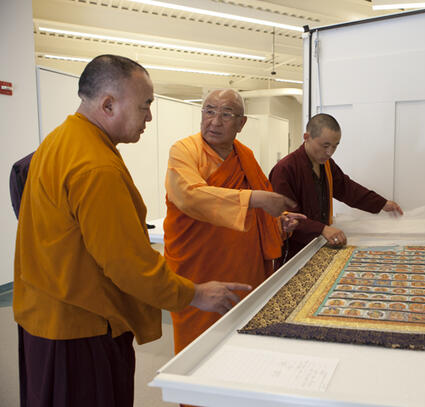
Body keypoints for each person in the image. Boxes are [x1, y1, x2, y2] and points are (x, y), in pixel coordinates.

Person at [13, 55, 251, 407]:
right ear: (108, 104)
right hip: (81, 328)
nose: (150, 117)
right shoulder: (96, 167)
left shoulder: (61, 138)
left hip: (43, 314)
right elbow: (129, 265)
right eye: (145, 106)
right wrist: (194, 294)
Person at [163, 88, 303, 355]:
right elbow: (191, 197)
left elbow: (259, 209)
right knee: (199, 352)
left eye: (227, 114)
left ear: (242, 123)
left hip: (245, 269)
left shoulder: (245, 156)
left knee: (243, 347)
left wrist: (279, 222)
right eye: (209, 111)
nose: (215, 121)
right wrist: (254, 199)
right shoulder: (184, 151)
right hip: (200, 272)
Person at [270, 113, 404, 264]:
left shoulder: (326, 164)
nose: (330, 152)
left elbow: (347, 189)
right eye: (325, 146)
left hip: (318, 244)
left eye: (335, 146)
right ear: (306, 137)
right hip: (294, 252)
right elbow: (285, 218)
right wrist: (322, 229)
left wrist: (382, 203)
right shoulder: (285, 169)